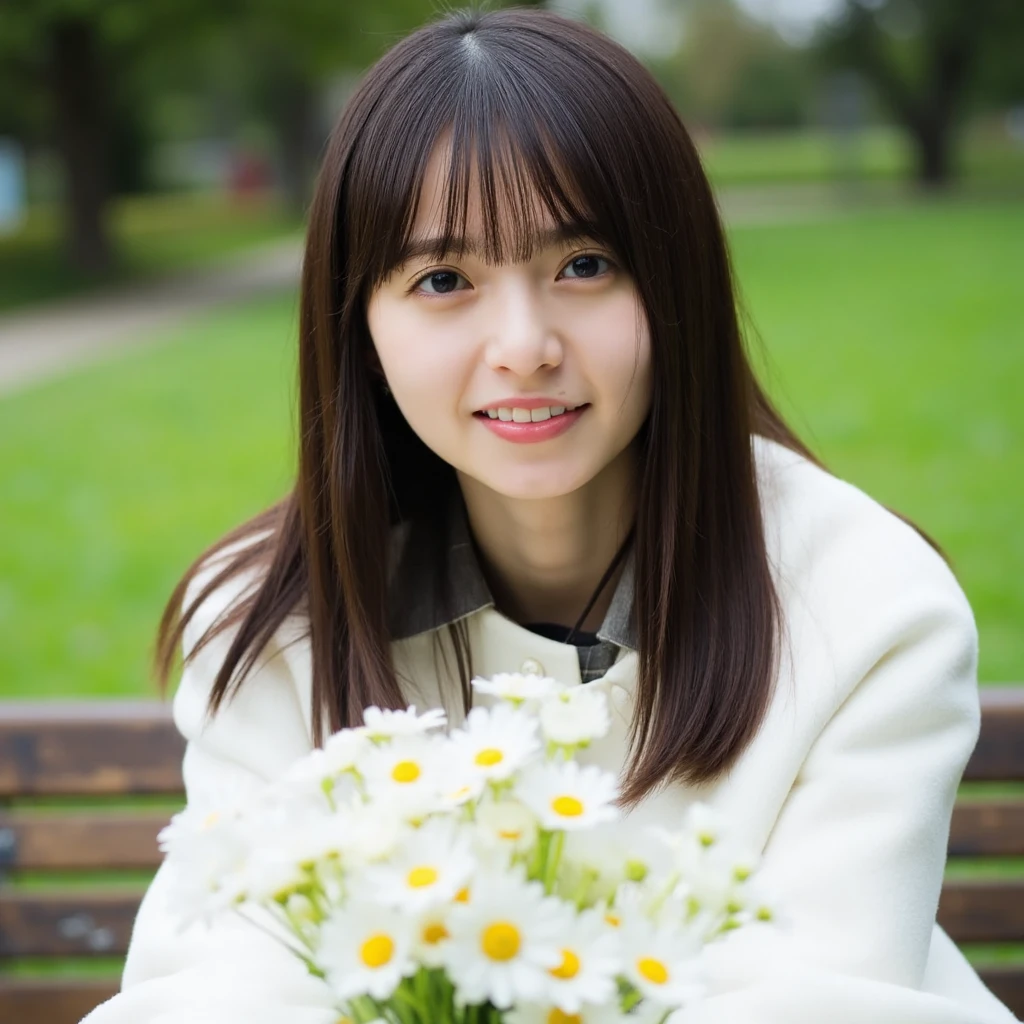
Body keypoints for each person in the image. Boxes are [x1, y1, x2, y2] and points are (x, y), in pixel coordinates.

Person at [81, 7, 1018, 1023]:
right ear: (358, 329)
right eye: (444, 280)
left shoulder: (865, 603)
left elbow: (818, 998)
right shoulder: (274, 626)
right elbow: (223, 991)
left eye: (583, 265)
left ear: (677, 287)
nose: (523, 345)